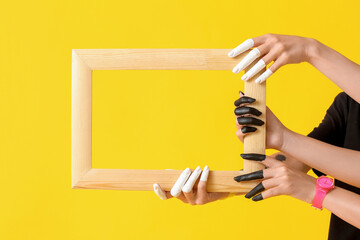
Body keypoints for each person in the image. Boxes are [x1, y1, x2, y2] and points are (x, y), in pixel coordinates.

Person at [153, 34, 360, 239]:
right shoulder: (349, 104)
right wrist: (227, 184)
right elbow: (296, 162)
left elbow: (299, 177)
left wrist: (311, 50)